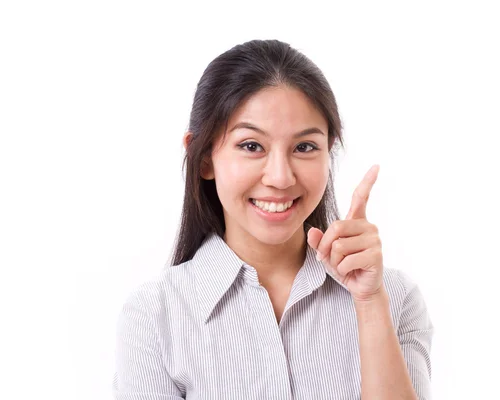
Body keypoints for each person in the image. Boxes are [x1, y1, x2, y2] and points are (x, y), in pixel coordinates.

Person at [112, 39, 434, 399]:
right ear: (204, 159)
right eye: (251, 146)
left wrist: (370, 304)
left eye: (304, 147)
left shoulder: (393, 298)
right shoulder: (154, 317)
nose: (280, 177)